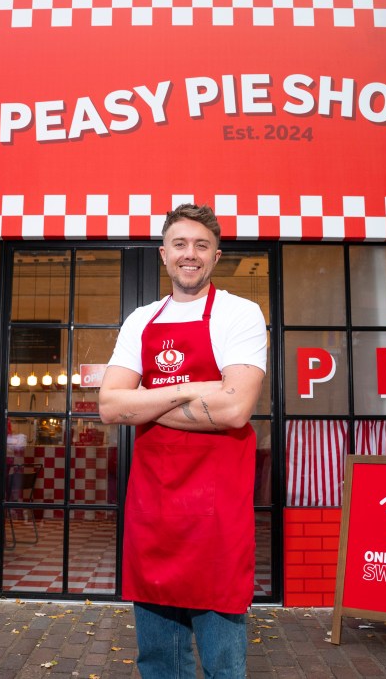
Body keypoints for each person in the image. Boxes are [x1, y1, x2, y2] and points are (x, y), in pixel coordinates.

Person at [99, 203, 267, 678]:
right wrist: (193, 388)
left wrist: (147, 401)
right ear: (163, 254)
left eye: (201, 245)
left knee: (223, 662)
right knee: (157, 661)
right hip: (154, 505)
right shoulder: (141, 319)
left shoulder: (240, 313)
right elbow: (110, 407)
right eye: (179, 244)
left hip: (217, 507)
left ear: (216, 256)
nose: (189, 254)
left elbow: (235, 410)